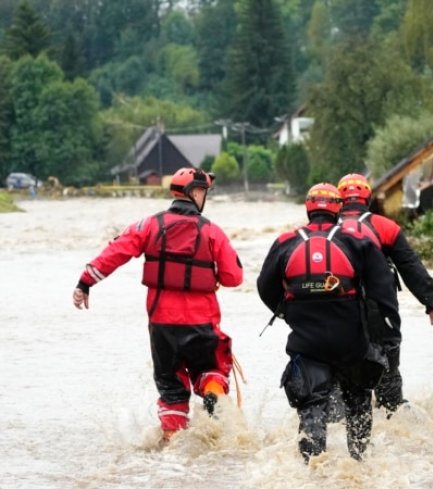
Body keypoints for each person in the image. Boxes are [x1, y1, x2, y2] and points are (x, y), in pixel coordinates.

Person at [72, 167, 244, 442]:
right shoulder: (212, 231)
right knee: (211, 371)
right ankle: (211, 391)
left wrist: (85, 282)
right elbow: (234, 277)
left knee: (171, 390)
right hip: (202, 323)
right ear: (196, 193)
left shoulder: (148, 225)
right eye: (204, 193)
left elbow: (116, 251)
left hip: (162, 326)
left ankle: (172, 448)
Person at [257, 183, 400, 462]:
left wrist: (288, 312)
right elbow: (382, 291)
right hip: (352, 342)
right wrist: (385, 334)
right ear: (338, 208)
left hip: (306, 342)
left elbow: (265, 287)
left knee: (312, 407)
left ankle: (314, 468)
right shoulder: (357, 241)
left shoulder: (286, 241)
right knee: (358, 403)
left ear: (308, 208)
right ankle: (360, 464)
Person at [336, 173, 433, 415]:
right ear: (368, 198)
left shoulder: (328, 229)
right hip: (380, 312)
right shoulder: (386, 227)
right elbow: (411, 267)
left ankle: (339, 424)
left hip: (339, 312)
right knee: (388, 374)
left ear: (340, 199)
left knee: (339, 376)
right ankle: (391, 414)